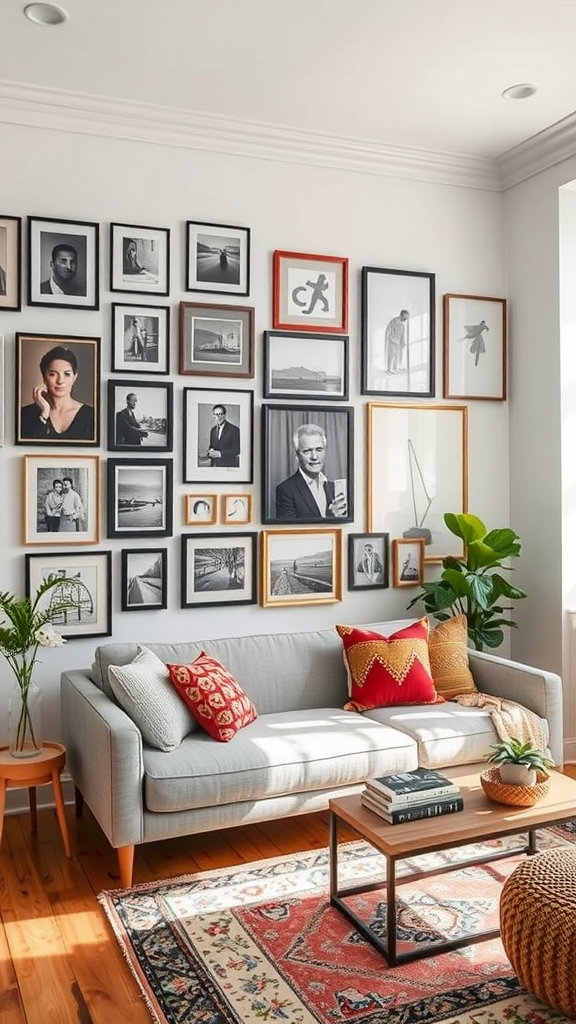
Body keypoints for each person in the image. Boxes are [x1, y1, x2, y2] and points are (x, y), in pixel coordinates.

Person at [20, 345, 95, 441]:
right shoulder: (25, 414)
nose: (60, 381)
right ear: (44, 377)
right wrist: (44, 414)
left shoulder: (91, 416)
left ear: (74, 377)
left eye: (67, 374)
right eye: (52, 374)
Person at [275, 423, 347, 520]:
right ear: (297, 455)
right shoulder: (285, 490)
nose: (314, 457)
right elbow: (289, 532)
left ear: (325, 451)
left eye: (319, 450)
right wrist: (331, 516)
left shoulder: (333, 488)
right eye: (307, 451)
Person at [385, 308, 410, 374]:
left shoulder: (402, 324)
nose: (406, 318)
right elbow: (388, 329)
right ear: (402, 315)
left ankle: (395, 368)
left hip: (398, 342)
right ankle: (389, 368)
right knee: (392, 354)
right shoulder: (394, 321)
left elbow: (402, 334)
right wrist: (389, 337)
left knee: (397, 355)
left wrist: (403, 342)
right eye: (406, 316)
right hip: (392, 340)